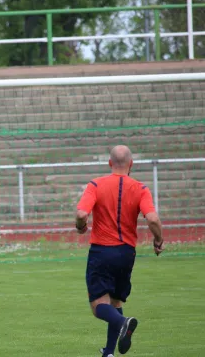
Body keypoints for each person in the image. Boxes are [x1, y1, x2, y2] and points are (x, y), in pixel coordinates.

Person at [76, 145, 164, 357]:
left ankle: (124, 322)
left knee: (99, 307)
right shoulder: (141, 188)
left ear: (109, 163)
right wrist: (158, 240)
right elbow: (152, 218)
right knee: (115, 302)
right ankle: (108, 352)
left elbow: (81, 214)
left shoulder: (96, 185)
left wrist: (81, 227)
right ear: (131, 164)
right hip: (126, 253)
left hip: (102, 251)